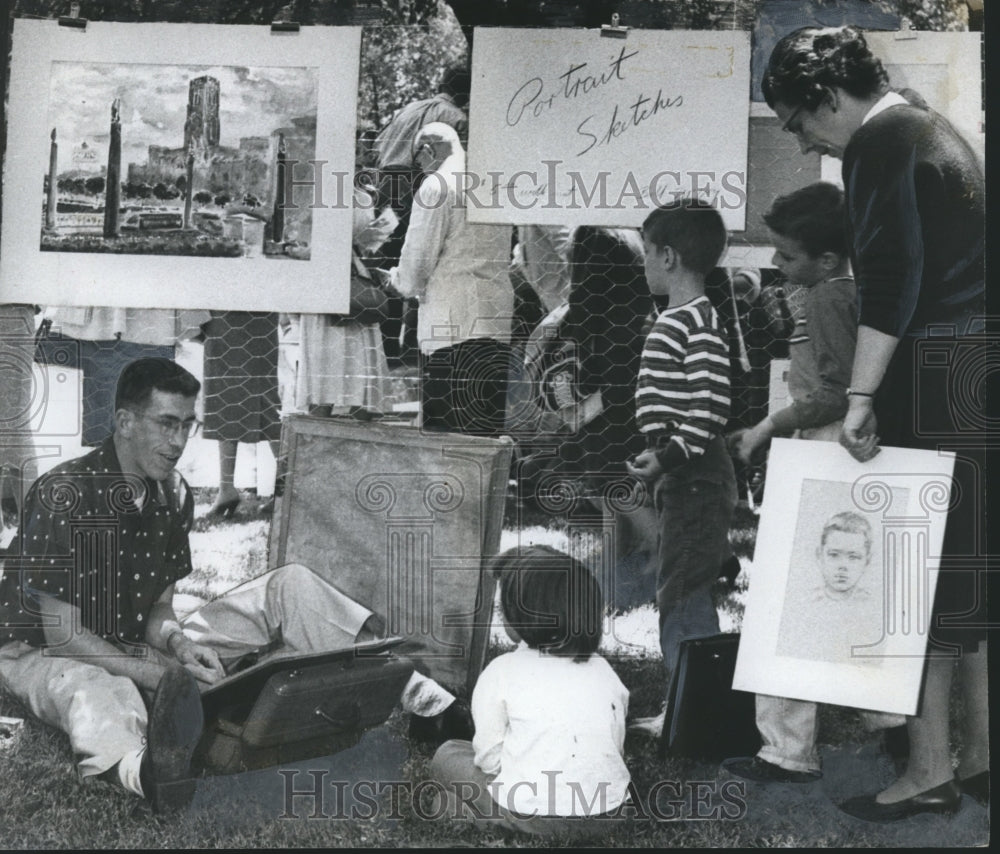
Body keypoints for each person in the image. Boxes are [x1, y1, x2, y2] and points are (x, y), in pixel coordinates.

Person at [0, 358, 470, 813]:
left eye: (188, 425)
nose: (179, 440)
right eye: (166, 423)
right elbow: (62, 634)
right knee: (95, 686)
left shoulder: (173, 492)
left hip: (133, 640)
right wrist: (159, 675)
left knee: (289, 585)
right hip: (43, 651)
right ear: (124, 421)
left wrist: (179, 645)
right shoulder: (64, 493)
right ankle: (145, 772)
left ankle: (425, 703)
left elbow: (159, 609)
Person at [762, 25, 987, 820]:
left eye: (796, 122)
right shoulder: (929, 123)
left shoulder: (881, 140)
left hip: (931, 368)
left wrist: (859, 397)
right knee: (968, 579)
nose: (801, 143)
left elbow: (891, 276)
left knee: (916, 580)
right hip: (977, 367)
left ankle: (927, 773)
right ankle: (980, 756)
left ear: (827, 96)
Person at [428, 545, 630, 836]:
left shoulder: (502, 670)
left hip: (531, 813)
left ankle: (473, 817)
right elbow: (615, 744)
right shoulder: (603, 669)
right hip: (609, 815)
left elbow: (488, 759)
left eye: (503, 608)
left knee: (446, 755)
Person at [625, 200, 738, 712]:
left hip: (695, 473)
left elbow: (711, 406)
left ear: (668, 256)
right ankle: (694, 705)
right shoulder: (683, 316)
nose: (643, 263)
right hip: (683, 472)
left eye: (646, 252)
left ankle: (694, 711)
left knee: (683, 591)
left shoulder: (692, 320)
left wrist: (668, 456)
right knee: (682, 583)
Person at [392, 122, 514, 437]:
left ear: (428, 149)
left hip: (452, 329)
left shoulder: (437, 186)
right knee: (482, 434)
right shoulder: (494, 185)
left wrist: (396, 281)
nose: (419, 168)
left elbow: (416, 264)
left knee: (445, 440)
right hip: (495, 323)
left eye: (418, 160)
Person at [200, 311, 282, 517]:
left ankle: (288, 487)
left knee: (231, 390)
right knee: (251, 393)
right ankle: (287, 487)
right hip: (252, 307)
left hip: (234, 306)